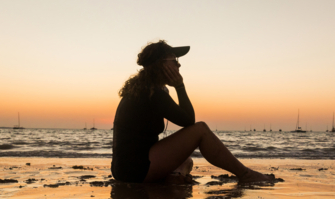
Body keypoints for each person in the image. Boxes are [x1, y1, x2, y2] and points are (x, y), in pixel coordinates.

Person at [111, 40, 274, 184]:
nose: (178, 65)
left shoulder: (146, 89)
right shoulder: (152, 93)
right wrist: (180, 87)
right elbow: (189, 121)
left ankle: (174, 177)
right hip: (135, 170)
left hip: (126, 169)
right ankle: (245, 174)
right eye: (174, 60)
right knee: (201, 130)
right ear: (160, 64)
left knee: (187, 161)